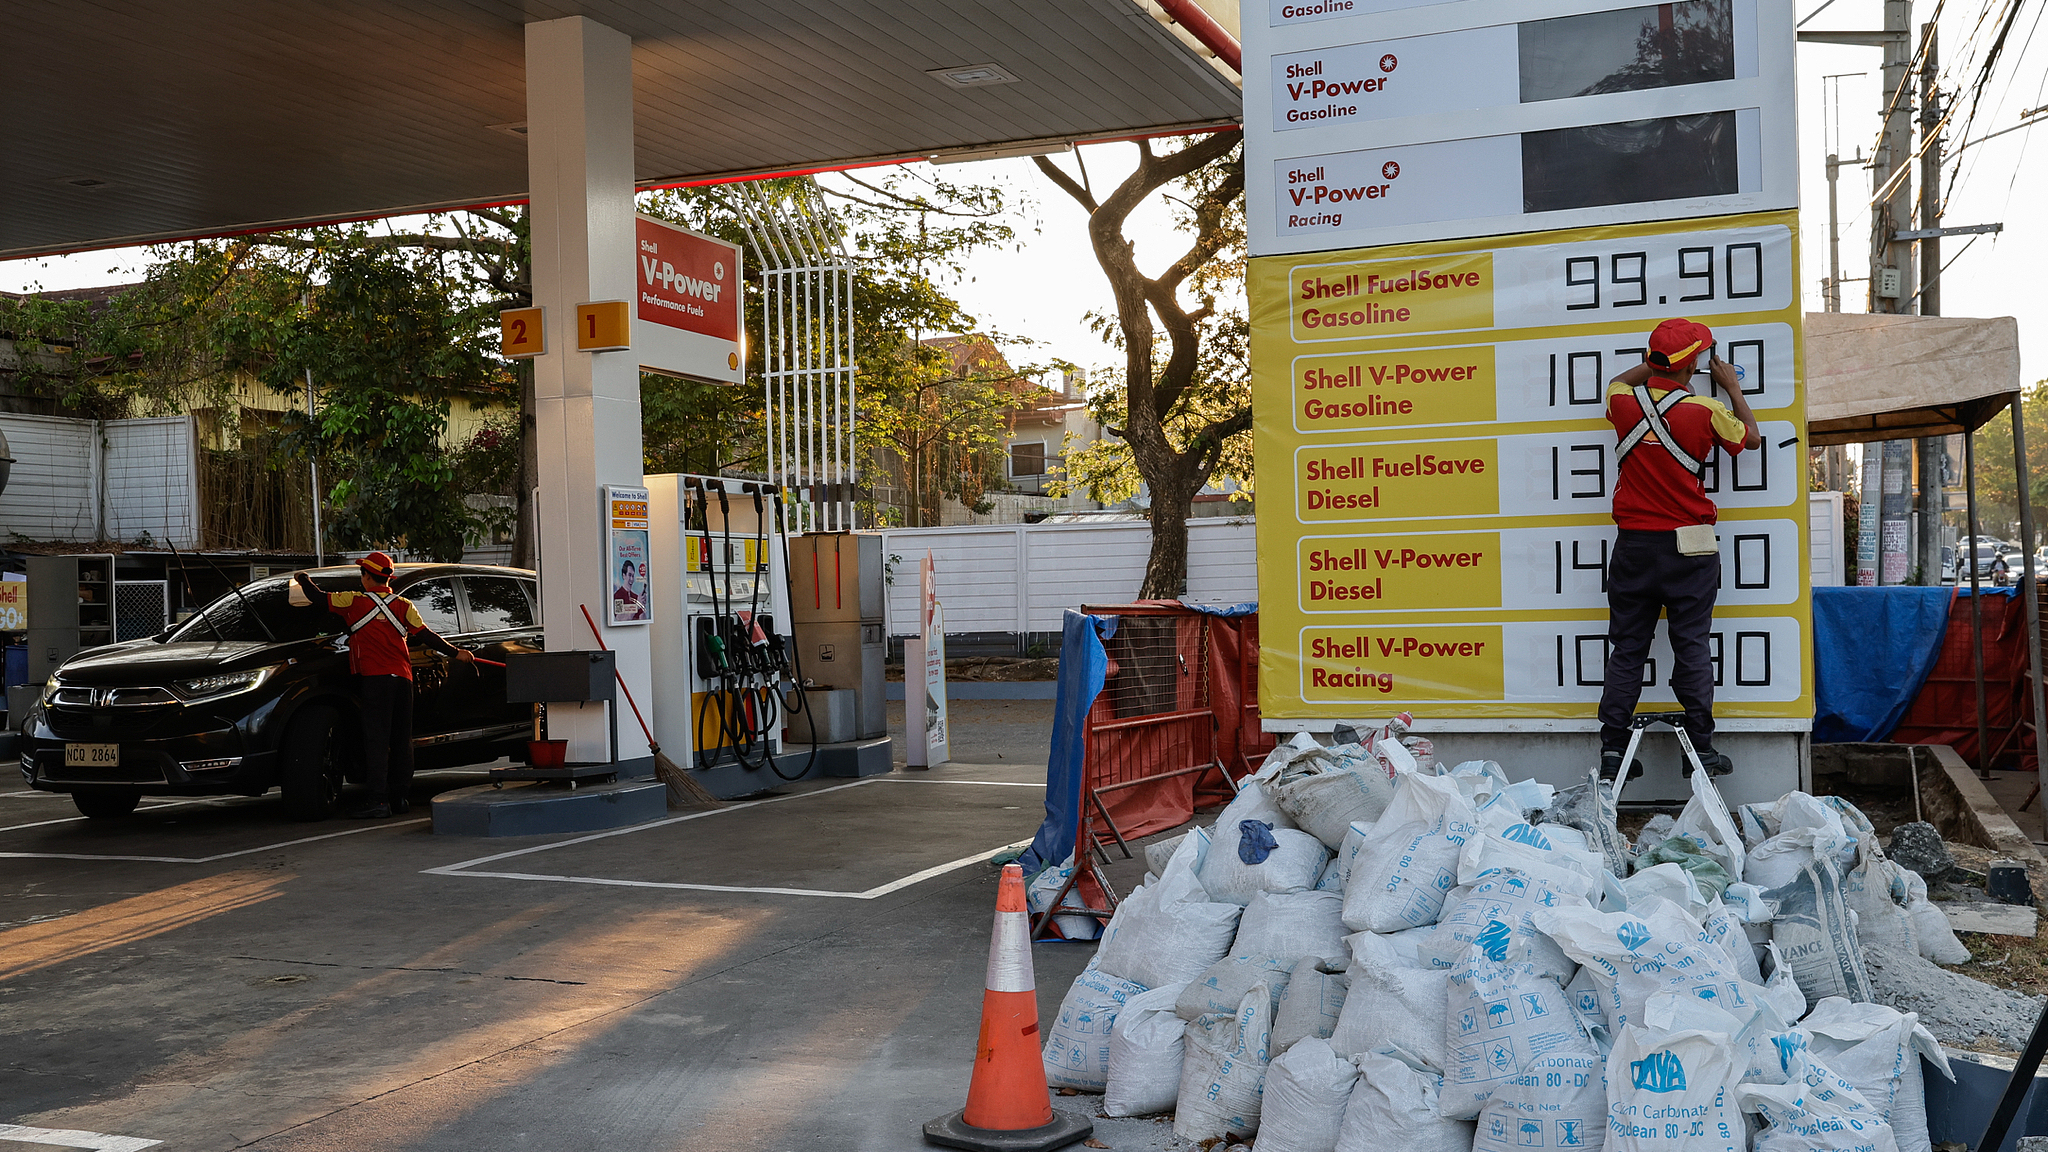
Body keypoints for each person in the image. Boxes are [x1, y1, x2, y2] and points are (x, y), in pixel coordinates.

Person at [1598, 318, 1762, 780]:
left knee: (1628, 649)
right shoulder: (1706, 410)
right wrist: (1732, 387)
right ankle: (1702, 751)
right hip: (1690, 546)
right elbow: (1751, 438)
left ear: (1651, 360)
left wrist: (1654, 367)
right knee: (1691, 645)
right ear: (1694, 363)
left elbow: (1617, 380)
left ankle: (1613, 751)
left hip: (1634, 546)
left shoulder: (1622, 402)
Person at [293, 553, 472, 818]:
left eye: (362, 574)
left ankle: (378, 802)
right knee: (402, 741)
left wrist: (302, 578)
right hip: (402, 680)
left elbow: (318, 597)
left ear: (366, 576)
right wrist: (456, 652)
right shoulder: (404, 605)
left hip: (376, 681)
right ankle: (400, 799)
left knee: (377, 741)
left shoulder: (354, 600)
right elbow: (426, 635)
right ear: (389, 578)